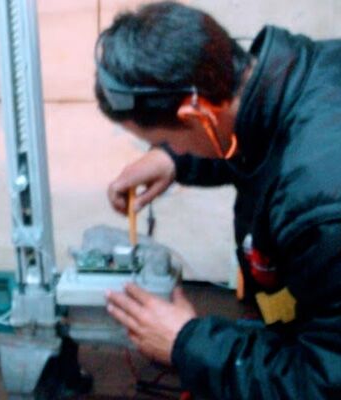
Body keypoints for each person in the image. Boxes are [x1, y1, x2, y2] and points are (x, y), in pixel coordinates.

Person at [96, 1, 341, 399]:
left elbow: (322, 383)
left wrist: (187, 343)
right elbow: (259, 142)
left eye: (167, 139)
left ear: (196, 116)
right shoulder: (301, 74)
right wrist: (174, 160)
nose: (169, 147)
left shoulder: (321, 208)